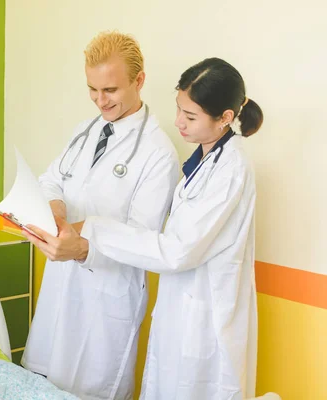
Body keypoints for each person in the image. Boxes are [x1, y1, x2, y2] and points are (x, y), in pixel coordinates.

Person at [24, 57, 263, 400]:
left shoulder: (230, 168)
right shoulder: (205, 159)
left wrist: (92, 231)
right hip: (177, 305)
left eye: (190, 116)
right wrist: (61, 216)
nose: (179, 122)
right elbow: (53, 181)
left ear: (225, 117)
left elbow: (177, 249)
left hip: (205, 315)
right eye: (179, 109)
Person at [21, 31, 179, 400]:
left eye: (110, 90)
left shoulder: (158, 154)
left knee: (89, 389)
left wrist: (79, 244)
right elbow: (52, 181)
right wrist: (55, 210)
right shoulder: (85, 131)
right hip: (64, 283)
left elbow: (142, 238)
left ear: (139, 81)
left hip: (107, 294)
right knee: (46, 385)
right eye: (92, 89)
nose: (99, 100)